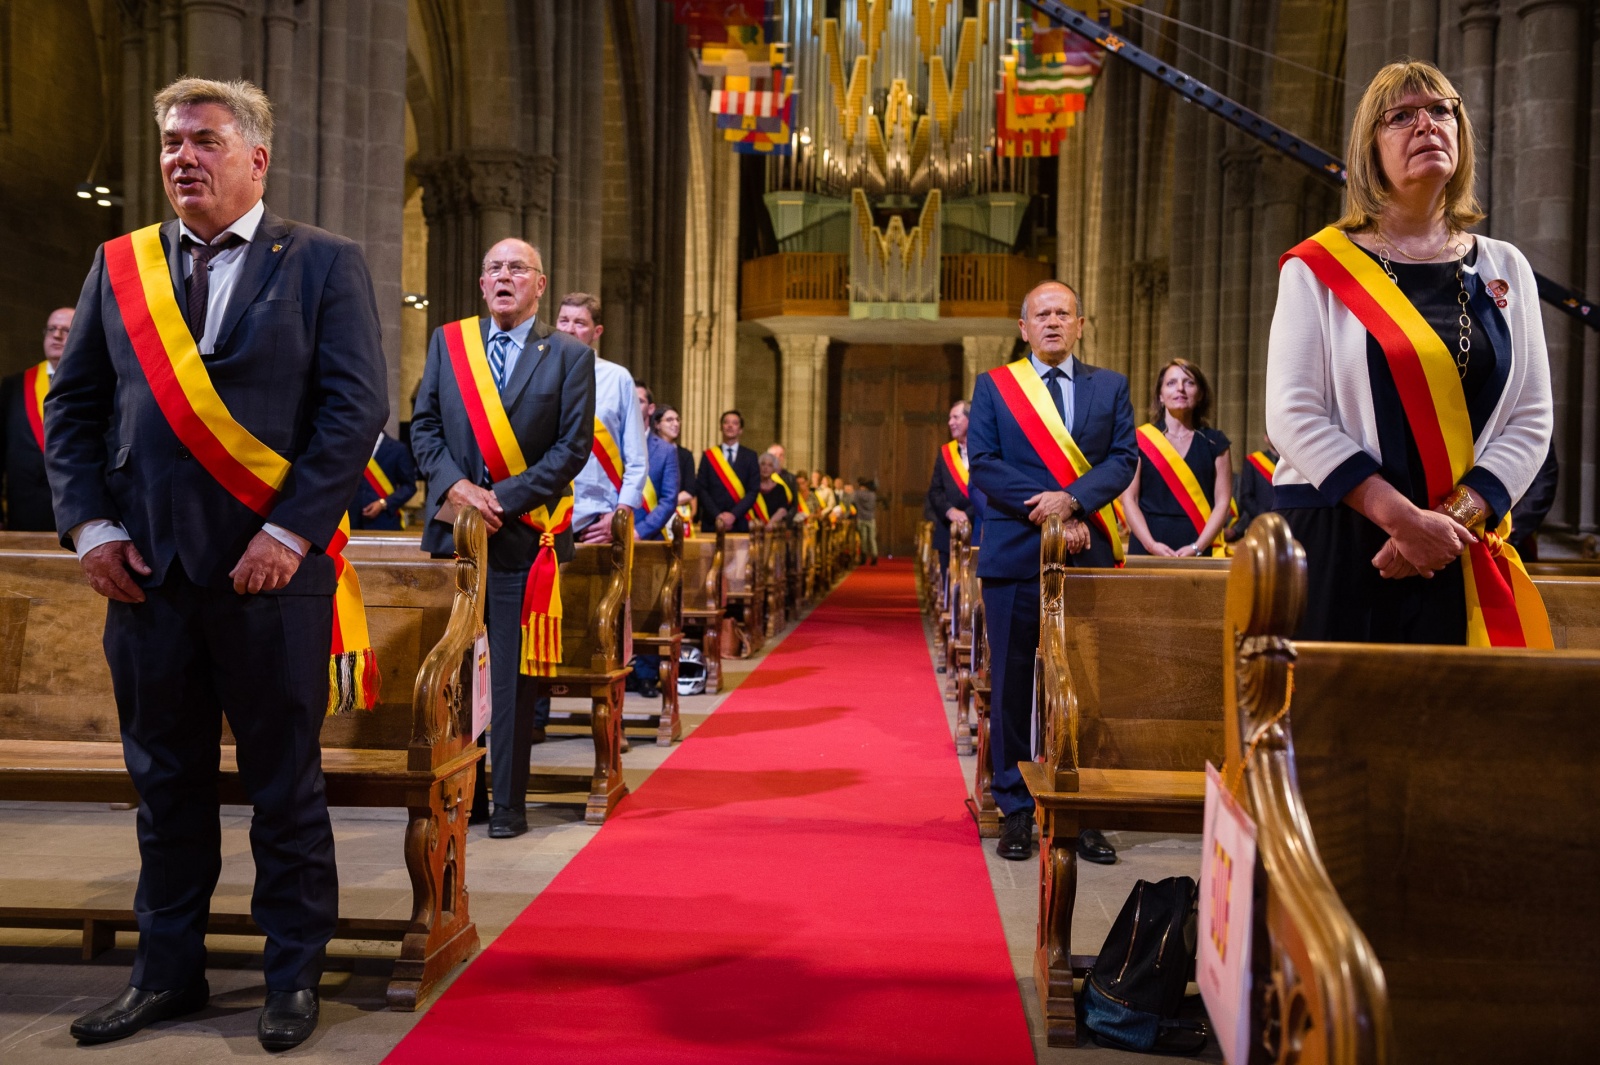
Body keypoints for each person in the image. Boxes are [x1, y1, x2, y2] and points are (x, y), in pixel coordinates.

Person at [46, 77, 389, 1049]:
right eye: (169, 143)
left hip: (275, 580)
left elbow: (352, 409)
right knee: (165, 789)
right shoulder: (121, 267)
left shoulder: (325, 263)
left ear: (256, 158)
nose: (181, 158)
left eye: (203, 139)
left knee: (285, 786)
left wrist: (286, 534)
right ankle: (167, 975)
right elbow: (72, 414)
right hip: (149, 578)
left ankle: (291, 977)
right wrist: (92, 529)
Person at [1266, 60, 1552, 646]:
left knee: (1453, 731)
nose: (1427, 124)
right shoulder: (1318, 270)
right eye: (1402, 116)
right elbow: (1291, 413)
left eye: (1441, 110)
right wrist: (1402, 520)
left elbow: (1530, 419)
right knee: (1338, 728)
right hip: (1343, 536)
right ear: (1369, 147)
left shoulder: (1505, 267)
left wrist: (1443, 525)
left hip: (1455, 542)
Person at [410, 237, 595, 840]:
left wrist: (503, 499)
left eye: (517, 268)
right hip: (459, 540)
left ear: (540, 285)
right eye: (493, 268)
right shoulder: (449, 343)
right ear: (482, 283)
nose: (503, 277)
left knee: (511, 680)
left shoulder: (566, 355)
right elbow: (426, 426)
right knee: (459, 674)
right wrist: (458, 488)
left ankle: (509, 806)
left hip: (519, 539)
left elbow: (571, 448)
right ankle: (469, 796)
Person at [968, 280, 1136, 865]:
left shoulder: (1109, 386)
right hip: (1014, 551)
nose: (1053, 322)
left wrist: (1075, 503)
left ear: (1081, 324)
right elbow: (984, 463)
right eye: (1041, 314)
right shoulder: (994, 386)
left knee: (1083, 683)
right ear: (1023, 327)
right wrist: (1051, 508)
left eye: (1064, 313)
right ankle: (1015, 807)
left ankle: (1078, 805)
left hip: (1085, 550)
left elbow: (1123, 458)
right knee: (1015, 682)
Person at [554, 293, 647, 545]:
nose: (570, 330)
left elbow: (636, 458)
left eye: (580, 323)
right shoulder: (539, 374)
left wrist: (621, 513)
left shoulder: (618, 379)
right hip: (545, 517)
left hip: (598, 521)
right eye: (563, 321)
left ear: (597, 331)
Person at [1120, 359, 1233, 557]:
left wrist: (1198, 547)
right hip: (1148, 545)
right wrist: (1150, 545)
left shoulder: (1216, 442)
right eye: (1171, 383)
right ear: (1160, 396)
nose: (1180, 389)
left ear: (1200, 394)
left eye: (1189, 382)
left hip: (1198, 544)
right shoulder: (1140, 439)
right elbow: (1129, 498)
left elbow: (1223, 503)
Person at [1, 307, 73, 530]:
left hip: (76, 509)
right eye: (51, 329)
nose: (56, 335)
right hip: (25, 511)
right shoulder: (14, 386)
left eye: (66, 330)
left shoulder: (100, 384)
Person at [926, 400, 974, 570]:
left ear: (970, 418)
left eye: (955, 417)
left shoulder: (986, 450)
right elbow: (935, 491)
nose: (950, 423)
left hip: (977, 530)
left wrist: (968, 514)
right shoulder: (945, 452)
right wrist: (950, 511)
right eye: (949, 418)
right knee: (950, 591)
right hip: (948, 532)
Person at [695, 409, 759, 533]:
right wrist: (718, 515)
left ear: (740, 430)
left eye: (735, 423)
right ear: (721, 427)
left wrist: (733, 515)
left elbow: (753, 491)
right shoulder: (709, 455)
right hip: (711, 521)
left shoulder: (750, 456)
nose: (730, 426)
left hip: (740, 521)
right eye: (726, 422)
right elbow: (701, 489)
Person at [632, 384, 679, 541]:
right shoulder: (612, 445)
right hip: (609, 534)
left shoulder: (666, 450)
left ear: (651, 408)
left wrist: (639, 531)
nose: (632, 404)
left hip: (648, 537)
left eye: (639, 400)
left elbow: (669, 500)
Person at [348, 429, 418, 530]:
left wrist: (384, 503)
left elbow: (409, 486)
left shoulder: (398, 449)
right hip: (351, 522)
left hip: (384, 522)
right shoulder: (350, 448)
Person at [651, 403, 697, 531]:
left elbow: (689, 491)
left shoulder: (685, 455)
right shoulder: (647, 451)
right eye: (669, 420)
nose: (676, 424)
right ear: (657, 424)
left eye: (677, 420)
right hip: (647, 513)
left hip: (676, 517)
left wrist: (663, 505)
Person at [1227, 436, 1278, 543]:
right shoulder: (1253, 461)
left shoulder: (1291, 463)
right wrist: (1265, 516)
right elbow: (1245, 497)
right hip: (1260, 522)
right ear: (1266, 438)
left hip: (1287, 522)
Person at [753, 452, 791, 526]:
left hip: (773, 529)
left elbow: (783, 509)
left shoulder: (780, 488)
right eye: (763, 464)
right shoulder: (752, 486)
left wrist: (770, 524)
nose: (765, 468)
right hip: (753, 528)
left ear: (774, 469)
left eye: (770, 465)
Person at [854, 477, 879, 563]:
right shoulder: (872, 495)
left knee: (863, 539)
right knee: (872, 539)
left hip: (861, 517)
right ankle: (874, 556)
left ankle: (863, 556)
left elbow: (854, 503)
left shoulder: (857, 494)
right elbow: (872, 506)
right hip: (871, 518)